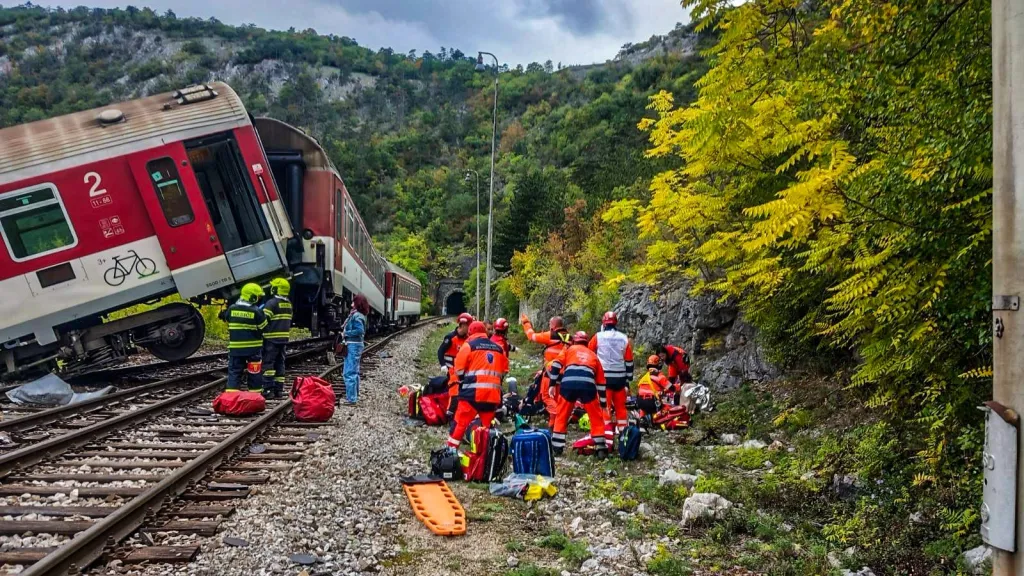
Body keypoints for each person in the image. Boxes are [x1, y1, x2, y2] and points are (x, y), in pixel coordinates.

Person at [446, 321, 509, 449]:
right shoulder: (498, 348)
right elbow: (504, 370)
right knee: (485, 429)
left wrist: (465, 379)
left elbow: (458, 370)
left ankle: (450, 451)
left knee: (460, 424)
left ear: (470, 333)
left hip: (472, 395)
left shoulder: (468, 345)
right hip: (492, 396)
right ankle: (484, 457)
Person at [548, 331, 609, 458]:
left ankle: (557, 448)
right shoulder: (593, 355)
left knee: (562, 414)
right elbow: (601, 383)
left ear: (575, 341)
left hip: (568, 384)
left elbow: (555, 364)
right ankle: (601, 448)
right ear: (587, 343)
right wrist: (603, 403)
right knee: (595, 417)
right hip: (587, 385)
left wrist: (552, 384)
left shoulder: (569, 350)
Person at [588, 311, 633, 446]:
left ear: (604, 323)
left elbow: (589, 352)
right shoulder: (624, 338)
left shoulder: (598, 337)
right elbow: (629, 361)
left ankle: (607, 434)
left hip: (604, 377)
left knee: (605, 406)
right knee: (621, 408)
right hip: (620, 378)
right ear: (615, 323)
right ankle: (623, 434)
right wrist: (628, 380)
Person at [520, 314, 571, 426]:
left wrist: (526, 323)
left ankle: (560, 416)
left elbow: (531, 336)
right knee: (556, 399)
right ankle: (553, 426)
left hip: (550, 373)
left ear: (553, 326)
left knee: (547, 397)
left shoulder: (551, 335)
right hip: (564, 374)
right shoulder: (569, 337)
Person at [222, 283, 268, 392]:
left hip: (236, 349)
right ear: (252, 297)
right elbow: (264, 328)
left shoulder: (232, 309)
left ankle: (231, 396)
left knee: (234, 372)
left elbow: (227, 319)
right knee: (254, 373)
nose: (259, 299)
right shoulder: (257, 311)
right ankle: (255, 395)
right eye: (258, 296)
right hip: (253, 350)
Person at [259, 278, 293, 400]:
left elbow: (264, 320)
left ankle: (268, 390)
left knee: (268, 364)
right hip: (283, 339)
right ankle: (279, 389)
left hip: (271, 339)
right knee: (280, 363)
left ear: (276, 289)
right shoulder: (288, 303)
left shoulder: (271, 303)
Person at [439, 313, 474, 417]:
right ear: (462, 325)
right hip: (452, 369)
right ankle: (450, 414)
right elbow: (440, 351)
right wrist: (443, 365)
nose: (470, 328)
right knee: (455, 390)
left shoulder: (468, 338)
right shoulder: (450, 337)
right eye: (469, 325)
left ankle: (462, 412)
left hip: (463, 369)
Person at [342, 294, 369, 405]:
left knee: (349, 372)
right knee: (355, 371)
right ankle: (354, 395)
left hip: (353, 345)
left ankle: (351, 398)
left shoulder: (357, 316)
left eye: (353, 302)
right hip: (355, 344)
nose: (351, 304)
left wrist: (346, 333)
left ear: (358, 303)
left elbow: (360, 331)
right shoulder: (358, 315)